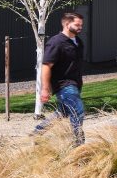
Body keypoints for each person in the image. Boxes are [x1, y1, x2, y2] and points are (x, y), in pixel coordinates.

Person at [34, 11, 86, 145]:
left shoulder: (78, 42)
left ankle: (38, 131)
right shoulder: (56, 42)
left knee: (62, 113)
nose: (80, 27)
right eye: (77, 25)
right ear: (67, 24)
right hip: (64, 85)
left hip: (75, 84)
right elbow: (46, 66)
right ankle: (78, 145)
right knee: (77, 111)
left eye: (81, 25)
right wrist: (45, 89)